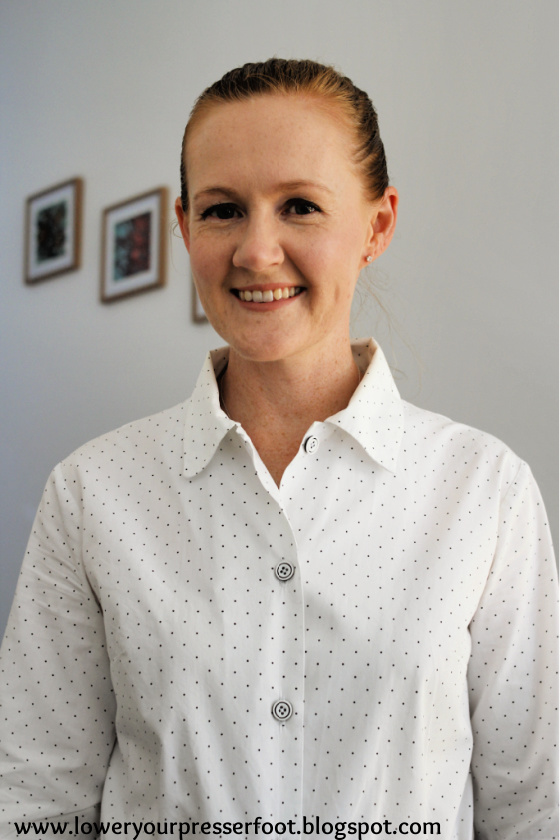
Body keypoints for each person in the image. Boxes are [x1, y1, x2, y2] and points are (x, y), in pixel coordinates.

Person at [0, 59, 557, 840]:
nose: (257, 251)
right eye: (224, 210)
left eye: (299, 206)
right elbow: (35, 807)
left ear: (378, 224)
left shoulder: (485, 492)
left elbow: (534, 807)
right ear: (185, 225)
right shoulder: (90, 494)